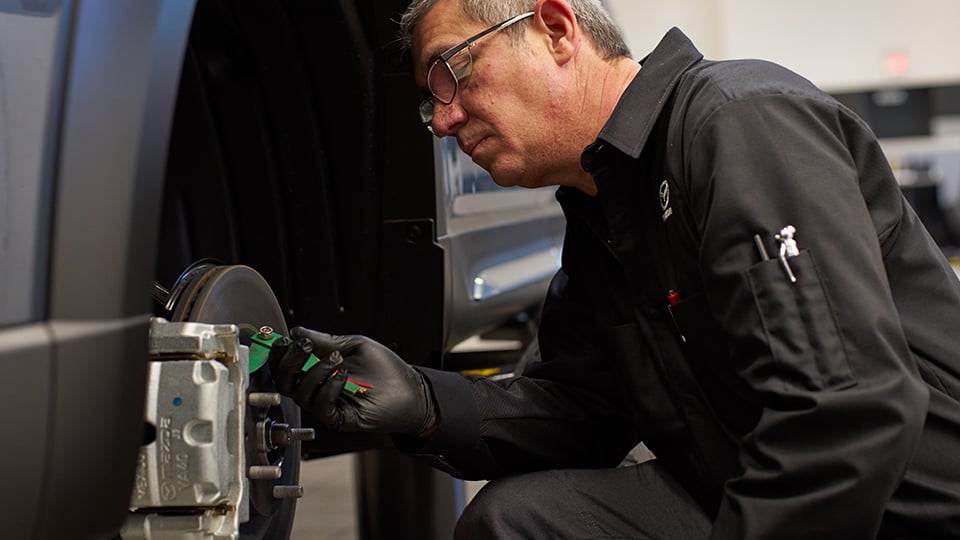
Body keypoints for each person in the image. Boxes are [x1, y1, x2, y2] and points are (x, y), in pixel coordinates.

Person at [269, 0, 960, 537]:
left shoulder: (736, 123)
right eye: (431, 99)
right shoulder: (606, 213)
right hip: (750, 492)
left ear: (555, 29)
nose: (443, 121)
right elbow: (584, 411)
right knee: (522, 522)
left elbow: (847, 411)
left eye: (453, 73)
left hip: (898, 514)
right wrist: (423, 403)